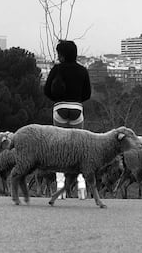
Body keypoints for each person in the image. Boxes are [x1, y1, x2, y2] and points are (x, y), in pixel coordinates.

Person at [44, 40, 91, 198]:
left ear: (61, 54)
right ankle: (81, 187)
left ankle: (60, 185)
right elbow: (87, 94)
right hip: (77, 109)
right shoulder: (82, 70)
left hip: (60, 108)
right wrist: (76, 99)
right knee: (78, 148)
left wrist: (57, 99)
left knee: (59, 148)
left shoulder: (57, 69)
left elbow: (47, 90)